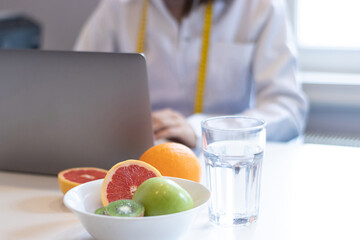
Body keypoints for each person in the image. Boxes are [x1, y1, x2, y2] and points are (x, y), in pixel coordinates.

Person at [74, 0, 308, 150]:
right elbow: (76, 93)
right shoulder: (115, 8)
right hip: (137, 161)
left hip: (222, 168)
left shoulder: (260, 7)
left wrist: (204, 132)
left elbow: (288, 111)